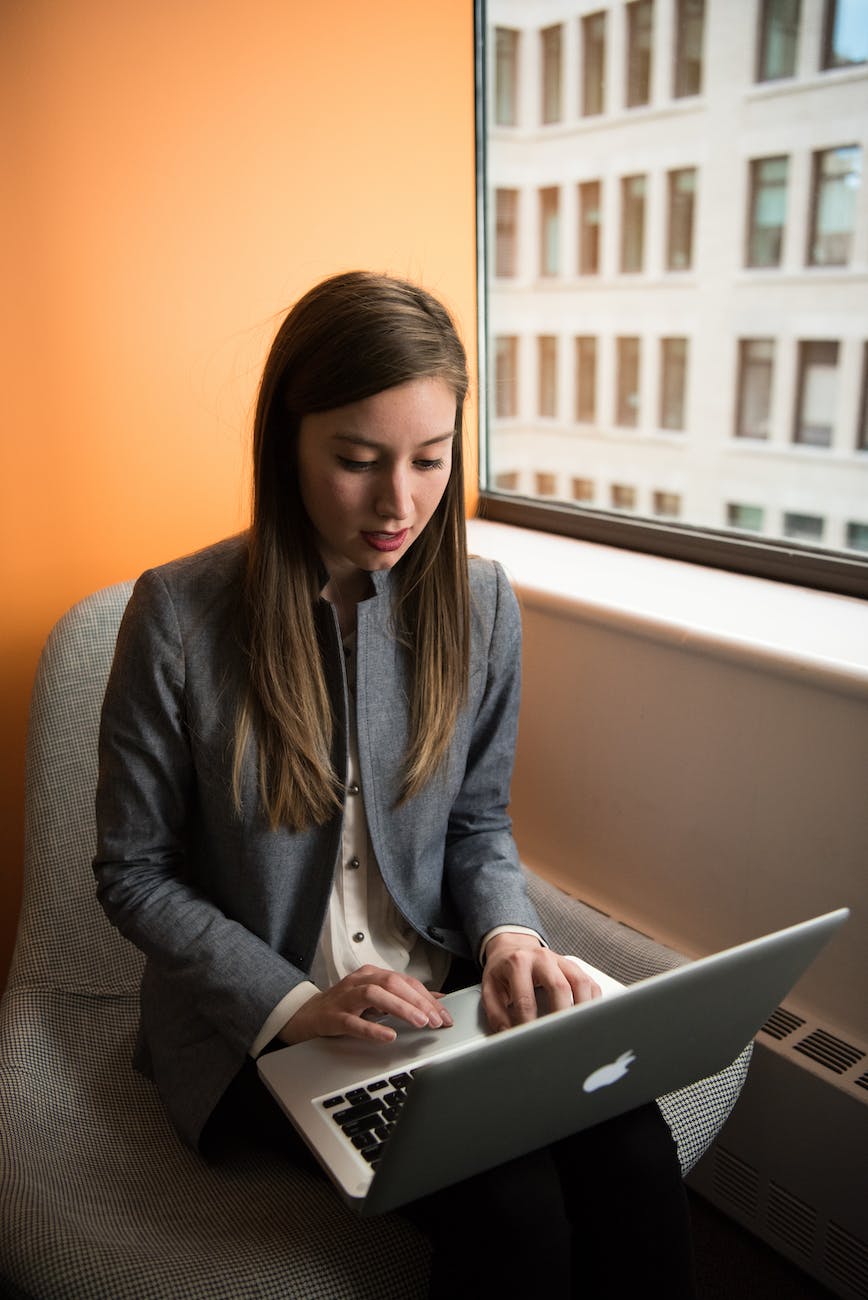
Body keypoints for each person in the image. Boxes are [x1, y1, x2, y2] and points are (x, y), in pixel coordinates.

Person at [93, 270, 696, 1297]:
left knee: (632, 1150)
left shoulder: (480, 603)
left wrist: (511, 934)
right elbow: (133, 872)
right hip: (267, 1025)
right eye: (358, 461)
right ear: (287, 443)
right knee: (512, 1207)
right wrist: (292, 1005)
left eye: (431, 459)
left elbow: (475, 820)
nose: (400, 503)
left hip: (439, 989)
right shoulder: (178, 617)